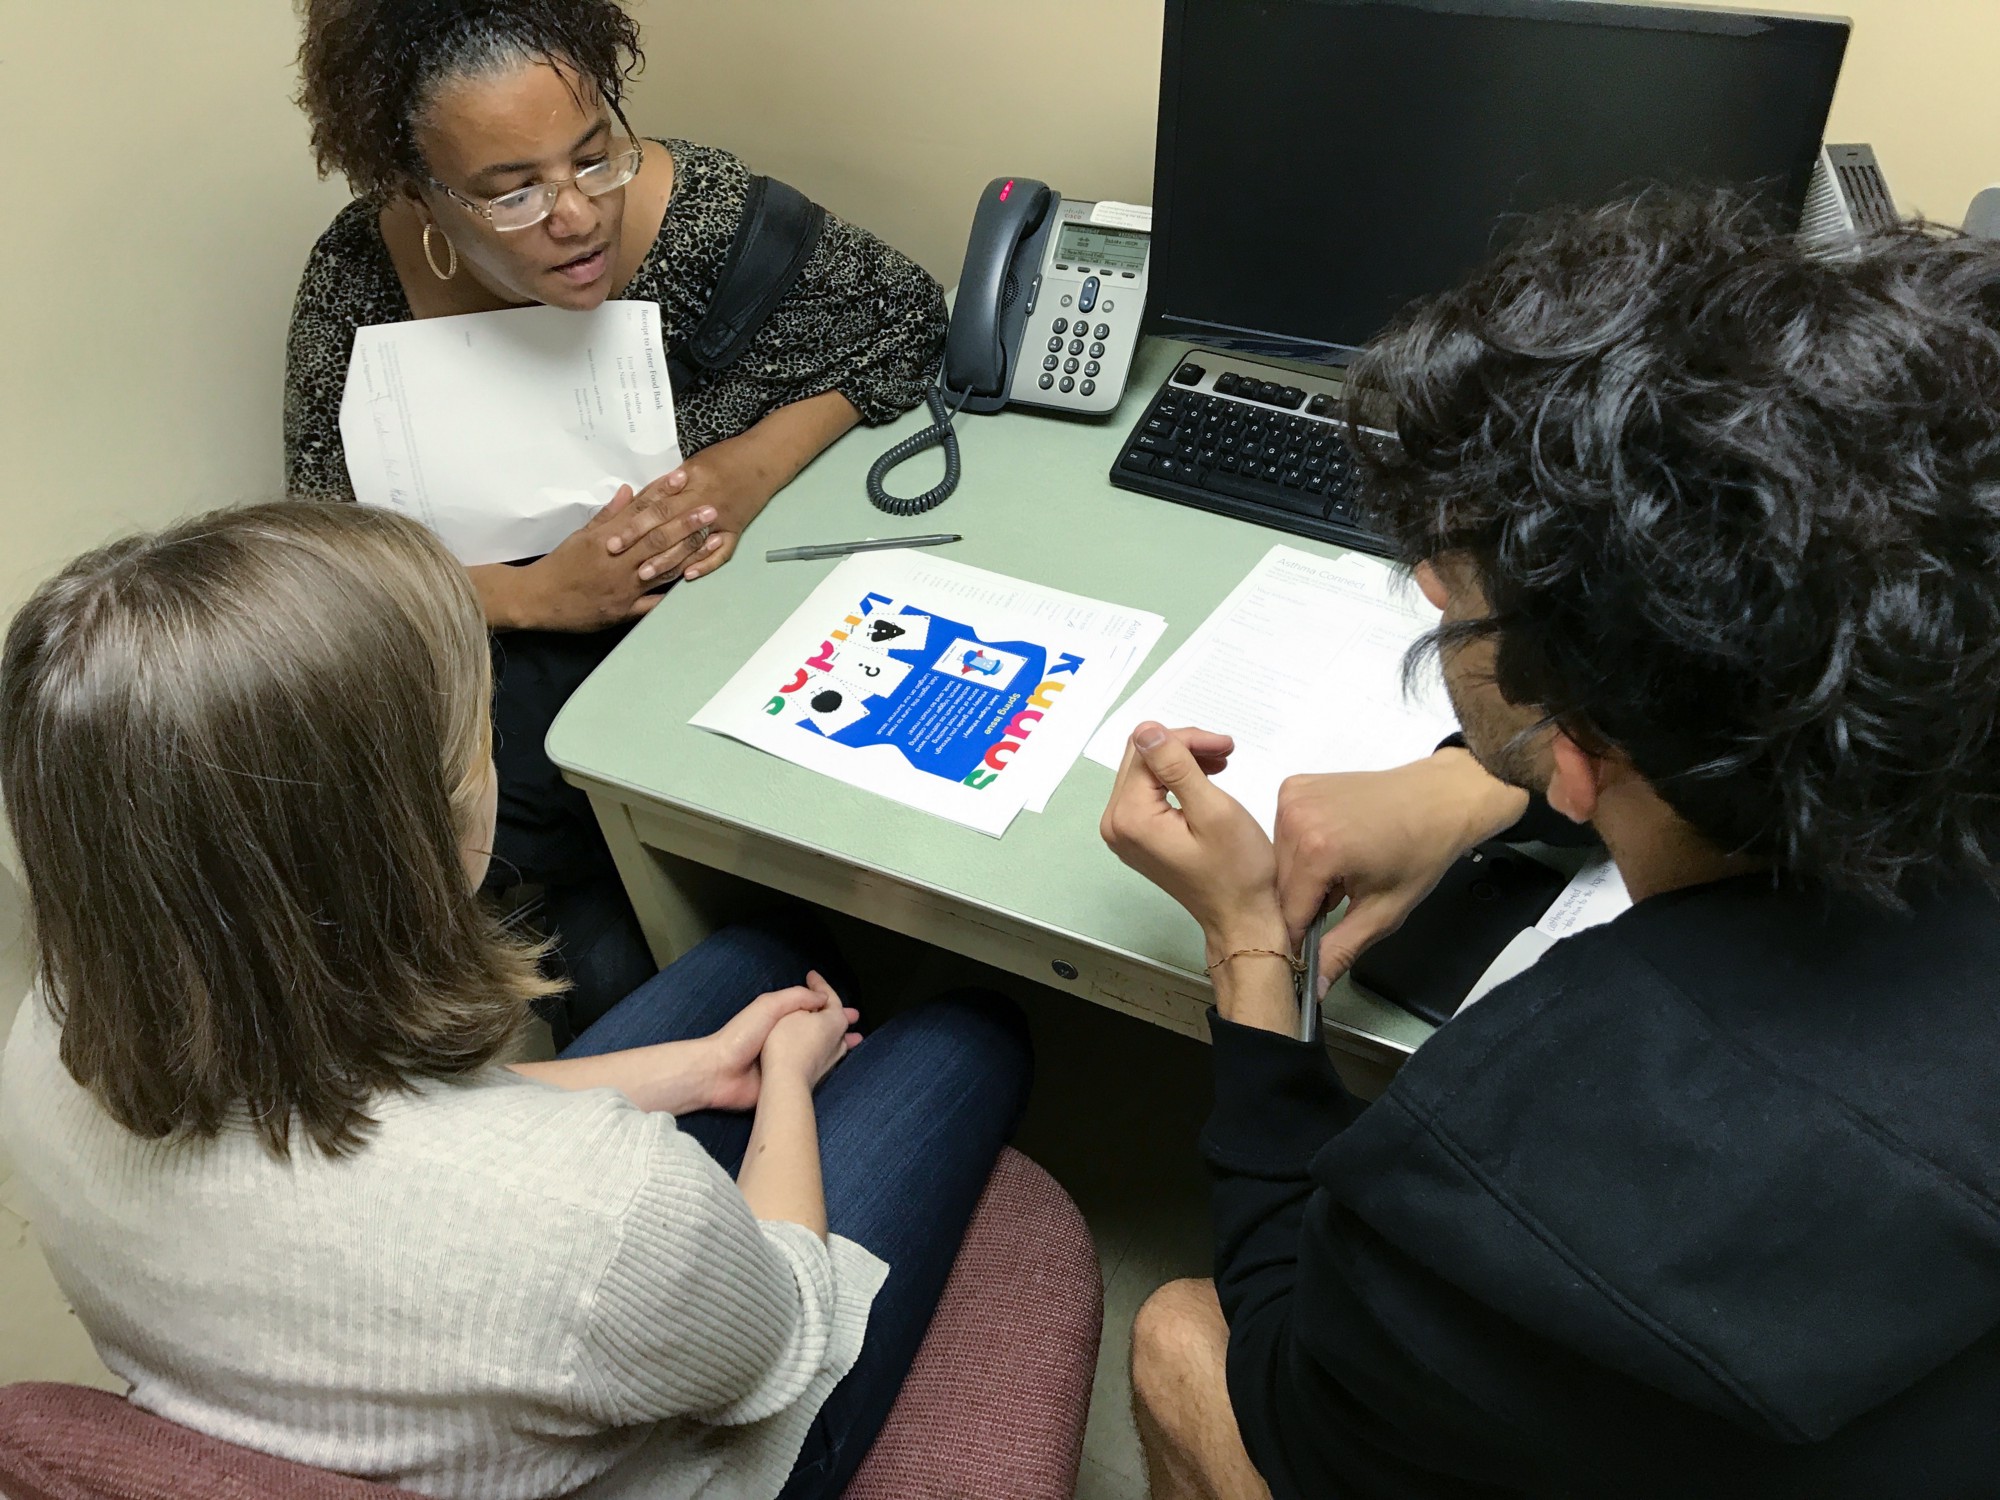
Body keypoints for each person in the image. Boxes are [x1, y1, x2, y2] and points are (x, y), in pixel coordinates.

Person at [1098, 195, 2000, 1498]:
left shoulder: (1498, 1180)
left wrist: (1249, 950)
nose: (1430, 589)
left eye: (1455, 592)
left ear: (1579, 742)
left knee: (1183, 1336)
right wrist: (1475, 786)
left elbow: (1295, 1381)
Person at [0, 502, 1029, 1500]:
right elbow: (785, 1330)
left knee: (765, 949)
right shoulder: (605, 1209)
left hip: (354, 1358)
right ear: (422, 833)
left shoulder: (48, 1028)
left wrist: (682, 1073)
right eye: (479, 723)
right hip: (716, 1440)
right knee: (970, 1037)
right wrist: (791, 1088)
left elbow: (367, 1114)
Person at [285, 0, 949, 1040]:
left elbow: (905, 319)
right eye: (512, 192)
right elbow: (321, 570)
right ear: (415, 188)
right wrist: (532, 597)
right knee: (608, 977)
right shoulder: (359, 276)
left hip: (716, 655)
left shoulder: (709, 220)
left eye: (595, 157)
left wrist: (744, 470)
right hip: (516, 720)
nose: (577, 216)